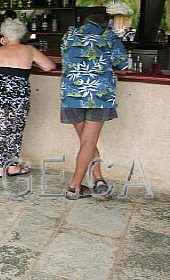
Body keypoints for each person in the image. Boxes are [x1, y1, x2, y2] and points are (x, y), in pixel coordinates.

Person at [60, 12, 128, 199]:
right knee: (88, 143)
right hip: (98, 95)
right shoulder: (109, 36)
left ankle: (99, 181)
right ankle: (74, 188)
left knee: (86, 142)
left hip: (72, 95)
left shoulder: (69, 34)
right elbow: (122, 63)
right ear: (106, 25)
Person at [0, 18, 55, 177]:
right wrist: (30, 62)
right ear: (22, 34)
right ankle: (12, 167)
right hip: (18, 93)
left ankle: (1, 167)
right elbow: (49, 66)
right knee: (15, 129)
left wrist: (5, 44)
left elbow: (5, 60)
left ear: (4, 36)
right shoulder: (29, 50)